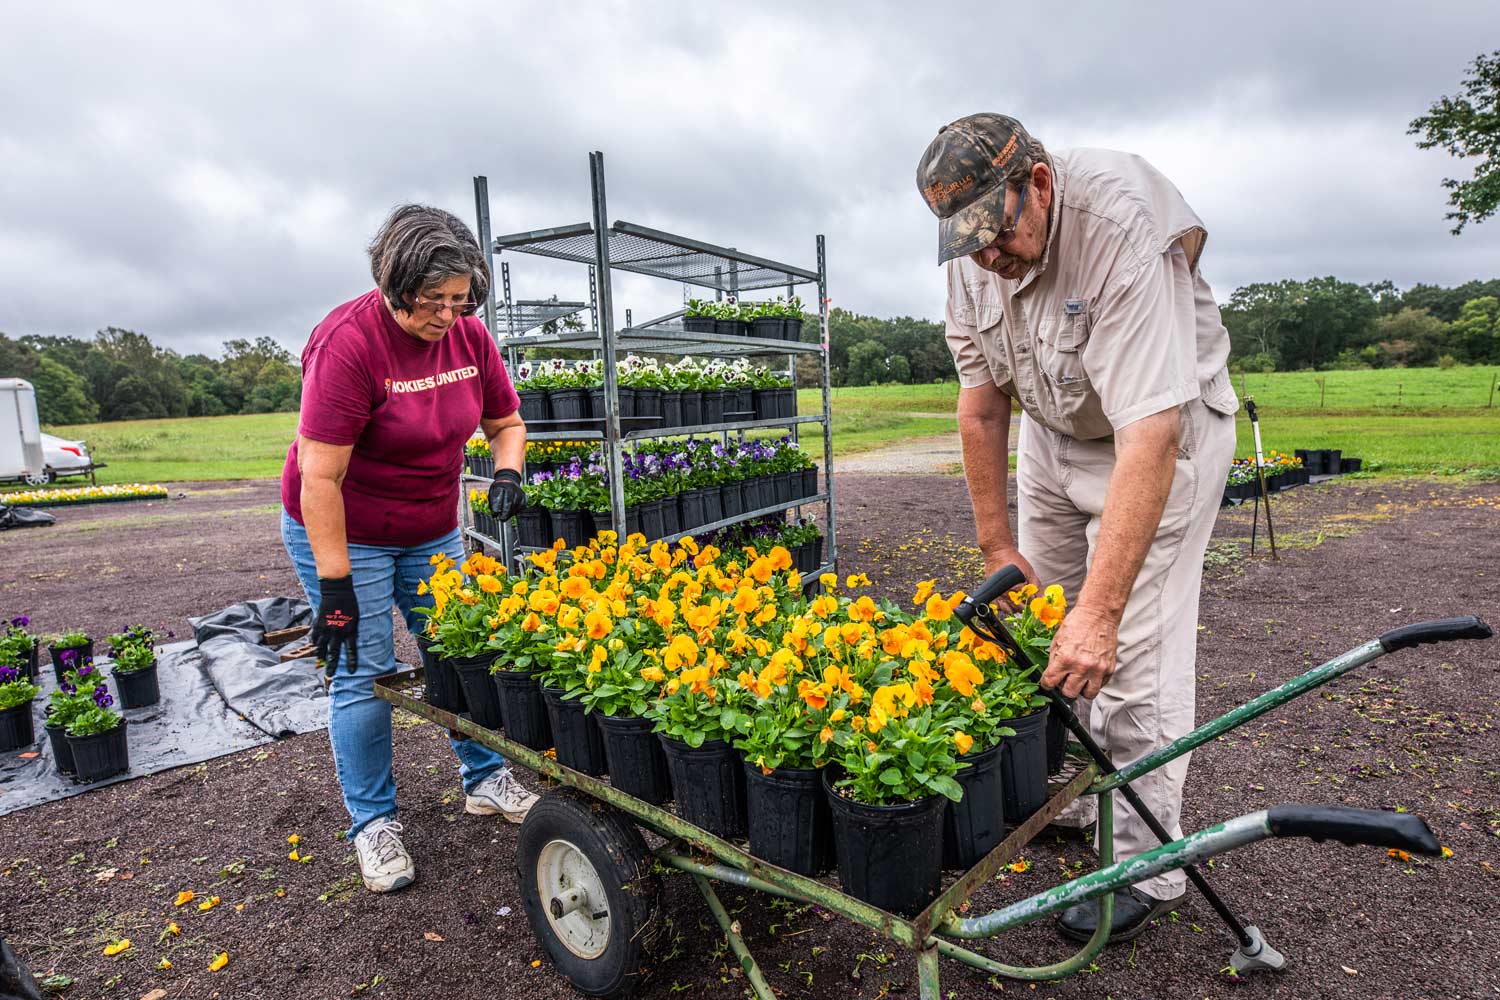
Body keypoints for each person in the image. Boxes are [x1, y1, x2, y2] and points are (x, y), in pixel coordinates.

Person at [916, 115, 1239, 942]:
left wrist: (1102, 611)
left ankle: (1140, 863)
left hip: (1162, 437)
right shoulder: (974, 260)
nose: (988, 255)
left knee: (1128, 651)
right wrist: (998, 545)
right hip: (1056, 436)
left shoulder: (1121, 226)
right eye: (969, 243)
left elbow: (1151, 434)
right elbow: (983, 406)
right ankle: (1071, 794)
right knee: (1043, 627)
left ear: (1041, 183)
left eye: (1000, 231)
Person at [280, 204, 536, 893]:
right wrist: (334, 587)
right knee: (364, 672)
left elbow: (505, 423)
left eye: (460, 301)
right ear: (395, 285)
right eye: (434, 303)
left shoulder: (470, 338)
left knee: (457, 649)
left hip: (429, 526)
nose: (448, 316)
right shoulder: (348, 344)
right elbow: (320, 476)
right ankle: (374, 825)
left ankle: (485, 779)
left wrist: (506, 472)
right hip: (344, 527)